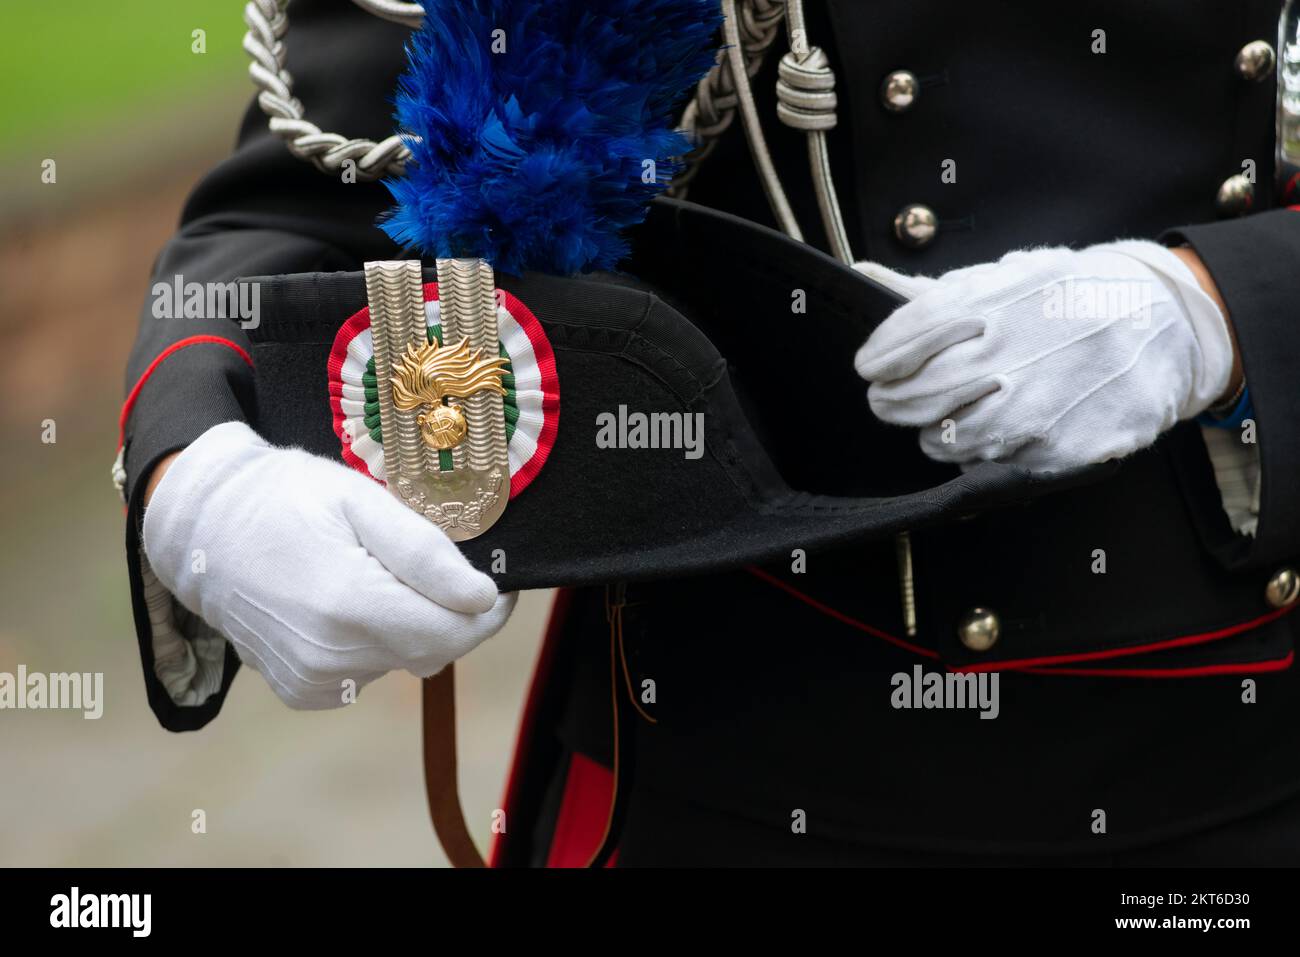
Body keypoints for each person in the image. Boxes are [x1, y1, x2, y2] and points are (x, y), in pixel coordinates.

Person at [121, 0, 1300, 865]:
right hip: (722, 760)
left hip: (1218, 776)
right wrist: (197, 479)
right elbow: (296, 206)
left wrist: (1220, 308)